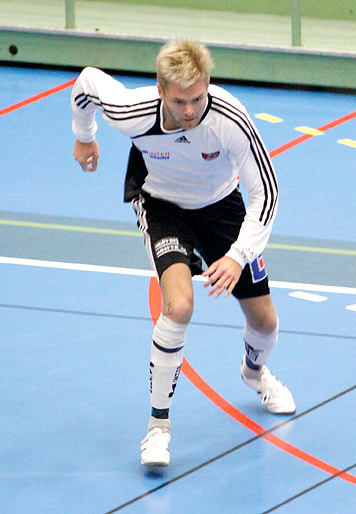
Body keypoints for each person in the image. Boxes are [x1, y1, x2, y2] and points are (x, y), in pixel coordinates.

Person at [71, 39, 296, 467]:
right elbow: (86, 84)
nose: (190, 110)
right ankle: (158, 427)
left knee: (265, 323)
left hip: (220, 204)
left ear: (208, 84)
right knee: (178, 306)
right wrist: (85, 137)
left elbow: (265, 190)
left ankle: (253, 372)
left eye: (197, 98)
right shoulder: (131, 111)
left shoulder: (229, 118)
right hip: (161, 205)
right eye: (179, 101)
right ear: (160, 90)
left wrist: (236, 255)